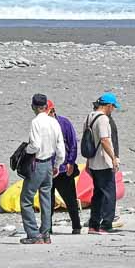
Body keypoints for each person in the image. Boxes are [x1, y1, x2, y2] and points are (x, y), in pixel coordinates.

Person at [19, 93, 64, 245]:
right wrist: (57, 165)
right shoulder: (54, 122)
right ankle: (45, 233)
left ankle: (33, 234)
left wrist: (26, 151)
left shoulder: (36, 122)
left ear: (33, 107)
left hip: (37, 163)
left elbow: (35, 145)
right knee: (46, 199)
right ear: (46, 107)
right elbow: (60, 148)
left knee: (26, 199)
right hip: (49, 163)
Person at [84, 92, 122, 233]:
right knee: (109, 194)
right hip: (104, 162)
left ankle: (93, 225)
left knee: (98, 194)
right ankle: (106, 225)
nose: (113, 110)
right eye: (113, 107)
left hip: (93, 162)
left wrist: (88, 162)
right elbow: (104, 140)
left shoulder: (90, 117)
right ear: (109, 106)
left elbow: (88, 141)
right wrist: (113, 158)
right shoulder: (103, 119)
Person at [51, 100, 83, 237]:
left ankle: (76, 226)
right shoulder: (41, 124)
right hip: (47, 169)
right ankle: (47, 228)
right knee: (47, 201)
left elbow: (73, 143)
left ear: (52, 110)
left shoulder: (64, 123)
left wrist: (71, 162)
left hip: (64, 169)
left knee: (70, 199)